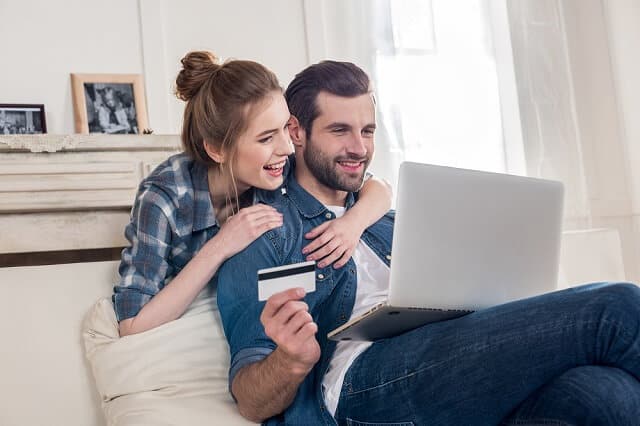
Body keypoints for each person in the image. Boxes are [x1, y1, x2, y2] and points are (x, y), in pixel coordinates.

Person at [216, 60, 640, 425]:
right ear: (297, 131)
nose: (359, 148)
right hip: (361, 382)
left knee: (604, 393)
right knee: (617, 307)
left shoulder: (391, 219)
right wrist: (291, 360)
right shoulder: (265, 234)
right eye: (340, 130)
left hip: (446, 360)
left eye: (367, 130)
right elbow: (251, 399)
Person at [112, 52, 392, 338]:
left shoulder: (279, 165)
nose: (286, 147)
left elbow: (379, 188)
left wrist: (351, 224)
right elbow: (132, 325)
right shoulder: (164, 197)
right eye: (266, 137)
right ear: (217, 149)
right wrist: (220, 246)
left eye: (285, 128)